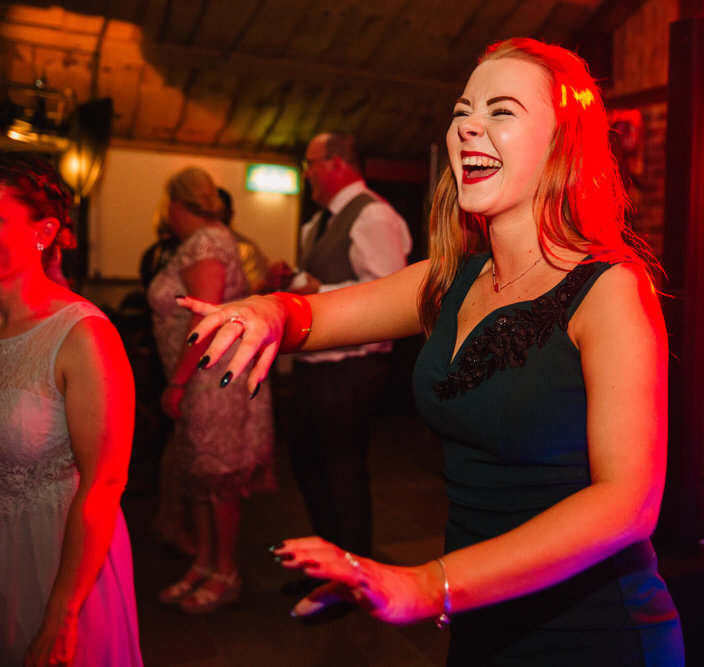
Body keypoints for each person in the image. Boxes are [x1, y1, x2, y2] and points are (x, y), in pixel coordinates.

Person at [179, 38, 684, 665]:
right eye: (463, 110)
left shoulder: (609, 288)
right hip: (481, 618)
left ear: (562, 143)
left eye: (501, 110)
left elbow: (628, 504)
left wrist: (427, 583)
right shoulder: (452, 278)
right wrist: (268, 310)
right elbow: (311, 317)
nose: (469, 125)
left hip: (591, 632)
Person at [0, 153, 143, 666]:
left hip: (57, 556)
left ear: (44, 233)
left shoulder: (83, 336)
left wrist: (62, 613)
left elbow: (104, 481)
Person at [147, 166, 275, 614]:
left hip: (212, 381)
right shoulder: (201, 242)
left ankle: (225, 572)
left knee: (218, 478)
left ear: (177, 204)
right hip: (201, 381)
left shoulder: (206, 243)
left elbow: (204, 317)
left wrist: (179, 382)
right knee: (200, 478)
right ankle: (202, 564)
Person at [281, 132, 411, 572]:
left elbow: (391, 294)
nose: (307, 174)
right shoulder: (318, 221)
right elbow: (325, 278)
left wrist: (320, 292)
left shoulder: (373, 215)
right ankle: (323, 566)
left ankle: (355, 575)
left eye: (310, 164)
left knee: (342, 475)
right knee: (310, 469)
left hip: (352, 368)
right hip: (314, 365)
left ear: (336, 163)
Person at [216, 187, 271, 294]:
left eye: (219, 214)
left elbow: (257, 286)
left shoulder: (246, 248)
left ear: (230, 214)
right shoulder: (192, 244)